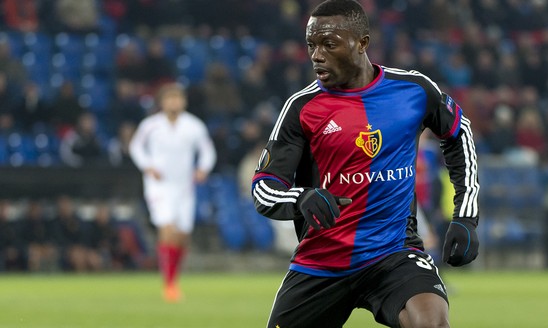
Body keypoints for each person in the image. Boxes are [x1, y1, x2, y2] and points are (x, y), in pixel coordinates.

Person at [250, 1, 480, 327]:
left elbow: (459, 133)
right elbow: (263, 188)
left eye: (329, 44)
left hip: (394, 254)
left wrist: (466, 216)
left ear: (362, 43)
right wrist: (300, 199)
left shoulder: (413, 90)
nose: (317, 55)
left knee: (431, 323)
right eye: (311, 45)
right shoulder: (301, 108)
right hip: (321, 262)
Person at [129, 82, 216, 303]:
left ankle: (173, 278)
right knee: (167, 229)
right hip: (159, 185)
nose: (174, 102)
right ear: (162, 102)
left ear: (183, 102)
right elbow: (135, 147)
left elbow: (207, 151)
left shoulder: (194, 126)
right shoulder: (150, 125)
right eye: (170, 98)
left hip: (184, 186)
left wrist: (202, 169)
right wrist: (147, 166)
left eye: (177, 98)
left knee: (182, 236)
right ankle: (168, 284)